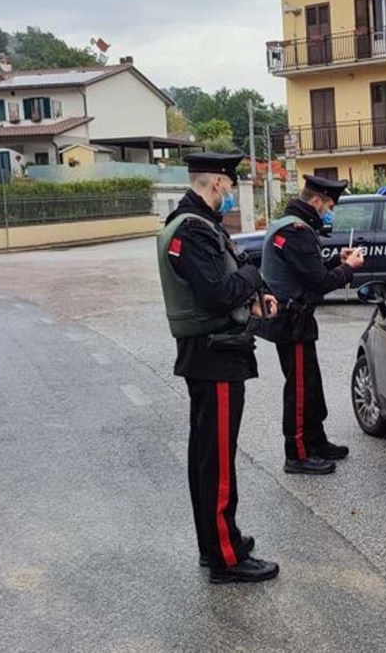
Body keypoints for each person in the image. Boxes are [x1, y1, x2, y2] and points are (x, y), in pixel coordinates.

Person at [157, 151, 280, 584]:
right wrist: (254, 275)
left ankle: (218, 541)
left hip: (213, 352)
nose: (230, 194)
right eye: (228, 187)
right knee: (218, 463)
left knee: (208, 457)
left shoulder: (196, 225)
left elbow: (224, 281)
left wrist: (248, 287)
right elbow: (217, 290)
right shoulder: (192, 230)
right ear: (215, 184)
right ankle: (225, 557)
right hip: (216, 355)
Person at [260, 174, 364, 475]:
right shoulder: (296, 231)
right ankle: (297, 454)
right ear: (316, 200)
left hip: (293, 321)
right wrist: (349, 268)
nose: (329, 211)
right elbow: (318, 283)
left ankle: (316, 442)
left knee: (311, 386)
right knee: (300, 390)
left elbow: (306, 272)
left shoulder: (289, 224)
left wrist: (336, 261)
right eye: (328, 205)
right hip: (292, 323)